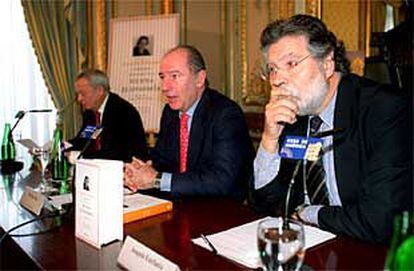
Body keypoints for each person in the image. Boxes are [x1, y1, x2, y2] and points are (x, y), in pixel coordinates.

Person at [252, 14, 411, 243]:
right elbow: (264, 204)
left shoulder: (384, 110)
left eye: (291, 64)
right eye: (273, 69)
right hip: (308, 248)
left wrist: (308, 213)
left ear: (327, 65)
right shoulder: (292, 117)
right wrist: (269, 138)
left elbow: (381, 220)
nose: (277, 80)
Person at [124, 45, 255, 199]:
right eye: (162, 77)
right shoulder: (170, 112)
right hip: (182, 204)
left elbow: (222, 180)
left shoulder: (225, 114)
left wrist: (157, 180)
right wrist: (140, 172)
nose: (165, 87)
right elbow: (162, 161)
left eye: (174, 76)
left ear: (199, 79)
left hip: (222, 210)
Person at [69, 69, 148, 162]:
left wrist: (81, 156)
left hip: (124, 169)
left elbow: (117, 153)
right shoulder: (90, 113)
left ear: (100, 91)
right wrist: (61, 146)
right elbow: (84, 140)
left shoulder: (122, 112)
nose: (79, 99)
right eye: (78, 94)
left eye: (83, 94)